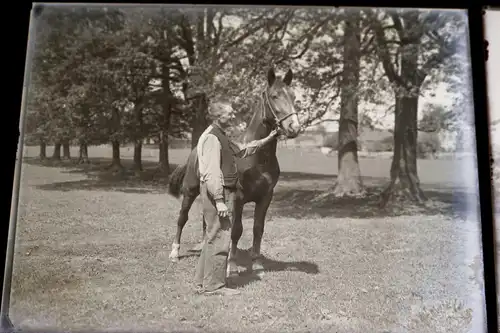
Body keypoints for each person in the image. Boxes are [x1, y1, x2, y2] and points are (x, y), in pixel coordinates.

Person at [194, 98, 279, 296]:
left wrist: (268, 138)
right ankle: (214, 287)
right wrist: (219, 200)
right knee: (221, 238)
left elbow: (243, 150)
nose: (233, 115)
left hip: (220, 192)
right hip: (218, 191)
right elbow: (212, 172)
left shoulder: (220, 135)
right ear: (217, 116)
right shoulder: (212, 139)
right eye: (228, 113)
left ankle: (201, 282)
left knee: (212, 237)